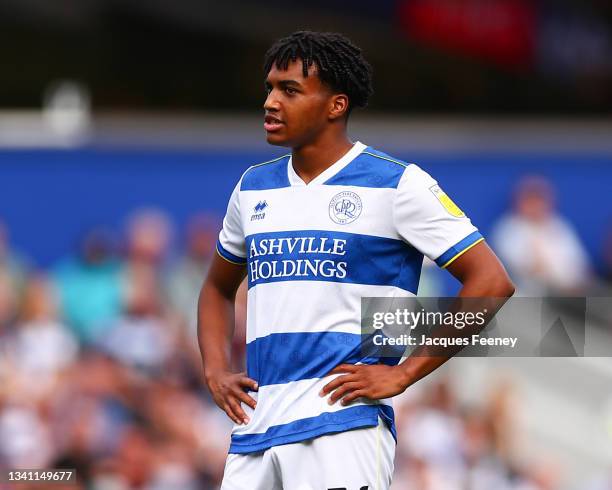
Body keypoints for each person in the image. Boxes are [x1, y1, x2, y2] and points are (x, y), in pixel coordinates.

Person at [198, 30, 514, 490]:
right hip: (255, 433)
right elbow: (215, 288)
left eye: (289, 90)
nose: (270, 102)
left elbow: (491, 281)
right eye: (269, 87)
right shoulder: (252, 188)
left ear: (336, 105)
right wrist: (214, 369)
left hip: (341, 431)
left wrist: (405, 372)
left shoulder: (398, 184)